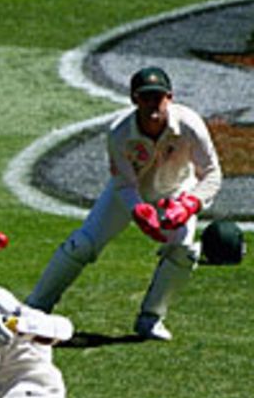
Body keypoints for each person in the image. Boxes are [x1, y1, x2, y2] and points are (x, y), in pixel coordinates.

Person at [26, 66, 221, 341]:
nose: (153, 104)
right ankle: (35, 309)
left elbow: (212, 174)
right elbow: (123, 183)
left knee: (184, 249)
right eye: (145, 97)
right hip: (130, 192)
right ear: (134, 99)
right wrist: (139, 211)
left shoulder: (190, 125)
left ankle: (151, 318)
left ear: (170, 97)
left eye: (159, 97)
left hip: (177, 191)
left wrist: (189, 204)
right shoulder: (119, 132)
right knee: (82, 244)